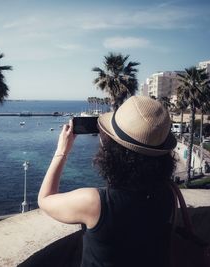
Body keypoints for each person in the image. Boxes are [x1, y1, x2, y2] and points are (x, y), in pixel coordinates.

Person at [38, 96, 177, 267]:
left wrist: (61, 151)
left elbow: (45, 199)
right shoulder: (169, 194)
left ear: (112, 151)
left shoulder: (96, 203)